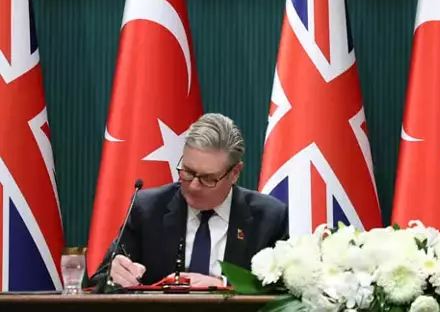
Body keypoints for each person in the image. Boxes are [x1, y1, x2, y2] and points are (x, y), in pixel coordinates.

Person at [87, 113, 289, 289]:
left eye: (208, 178)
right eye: (188, 172)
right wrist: (114, 277)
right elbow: (96, 284)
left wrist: (224, 286)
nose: (193, 186)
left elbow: (285, 293)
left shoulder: (268, 217)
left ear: (235, 173)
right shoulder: (148, 209)